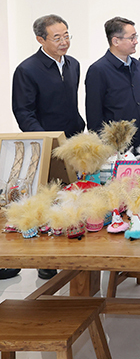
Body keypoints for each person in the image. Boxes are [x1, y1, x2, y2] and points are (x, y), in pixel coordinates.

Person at [8, 14, 83, 281]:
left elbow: (71, 104)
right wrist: (48, 141)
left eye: (67, 35)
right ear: (40, 39)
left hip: (70, 143)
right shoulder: (27, 70)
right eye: (57, 37)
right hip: (45, 148)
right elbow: (23, 112)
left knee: (68, 200)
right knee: (44, 202)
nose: (64, 42)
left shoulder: (73, 64)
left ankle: (68, 253)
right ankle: (44, 261)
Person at [85, 17, 140, 151]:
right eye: (131, 38)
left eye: (136, 36)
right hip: (117, 147)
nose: (136, 41)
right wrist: (104, 147)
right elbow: (94, 116)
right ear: (115, 41)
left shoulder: (138, 66)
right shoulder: (98, 70)